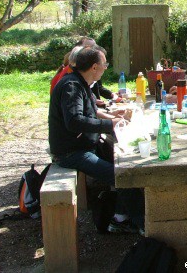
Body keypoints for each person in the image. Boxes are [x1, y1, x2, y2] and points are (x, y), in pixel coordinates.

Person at [49, 45, 145, 234]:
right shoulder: (72, 86)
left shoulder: (80, 82)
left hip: (84, 146)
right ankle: (143, 225)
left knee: (126, 165)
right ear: (94, 67)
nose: (105, 68)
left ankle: (120, 217)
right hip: (72, 153)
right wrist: (111, 125)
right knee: (124, 176)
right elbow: (74, 121)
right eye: (104, 64)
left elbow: (92, 111)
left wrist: (116, 118)